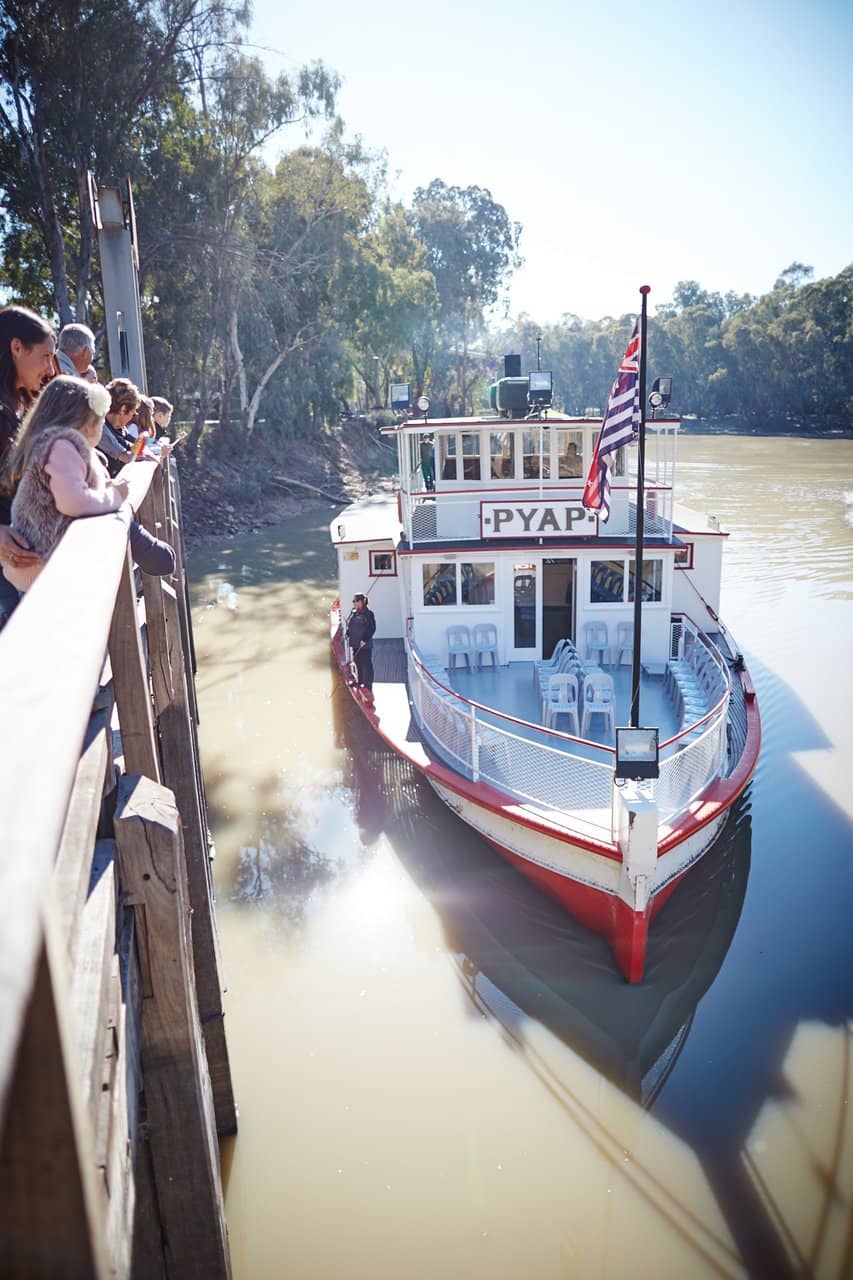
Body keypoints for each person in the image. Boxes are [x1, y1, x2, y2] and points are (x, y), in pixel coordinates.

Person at [1, 376, 129, 593]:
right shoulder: (63, 445)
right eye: (100, 421)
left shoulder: (46, 444)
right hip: (46, 572)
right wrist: (116, 496)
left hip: (34, 571)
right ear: (86, 422)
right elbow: (73, 502)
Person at [0, 305, 56, 626]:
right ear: (17, 348)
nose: (49, 369)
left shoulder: (19, 406)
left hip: (22, 566)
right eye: (45, 357)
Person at [346, 592, 376, 696]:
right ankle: (359, 682)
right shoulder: (355, 613)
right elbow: (352, 626)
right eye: (353, 601)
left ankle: (368, 686)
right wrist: (348, 633)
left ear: (361, 602)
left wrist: (364, 639)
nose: (353, 603)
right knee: (358, 663)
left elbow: (372, 628)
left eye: (355, 601)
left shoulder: (368, 614)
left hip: (364, 645)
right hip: (355, 644)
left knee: (366, 665)